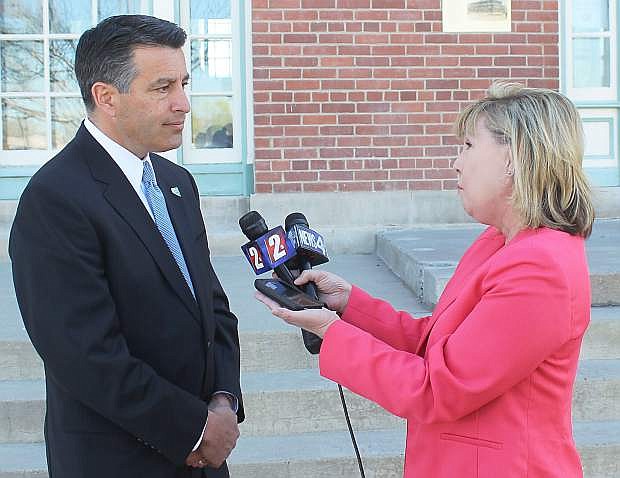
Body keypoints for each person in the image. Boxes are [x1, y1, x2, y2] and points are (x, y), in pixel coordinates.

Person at [257, 82, 595, 477]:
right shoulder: (500, 242)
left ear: (514, 158)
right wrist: (349, 305)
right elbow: (438, 345)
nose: (456, 162)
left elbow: (439, 388)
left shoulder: (540, 268)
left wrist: (333, 334)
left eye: (468, 146)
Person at [9, 15, 243, 478]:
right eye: (162, 88)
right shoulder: (55, 198)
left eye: (184, 83)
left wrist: (223, 400)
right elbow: (85, 356)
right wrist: (194, 429)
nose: (184, 103)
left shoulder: (177, 183)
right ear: (106, 97)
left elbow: (213, 311)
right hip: (116, 460)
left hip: (202, 459)